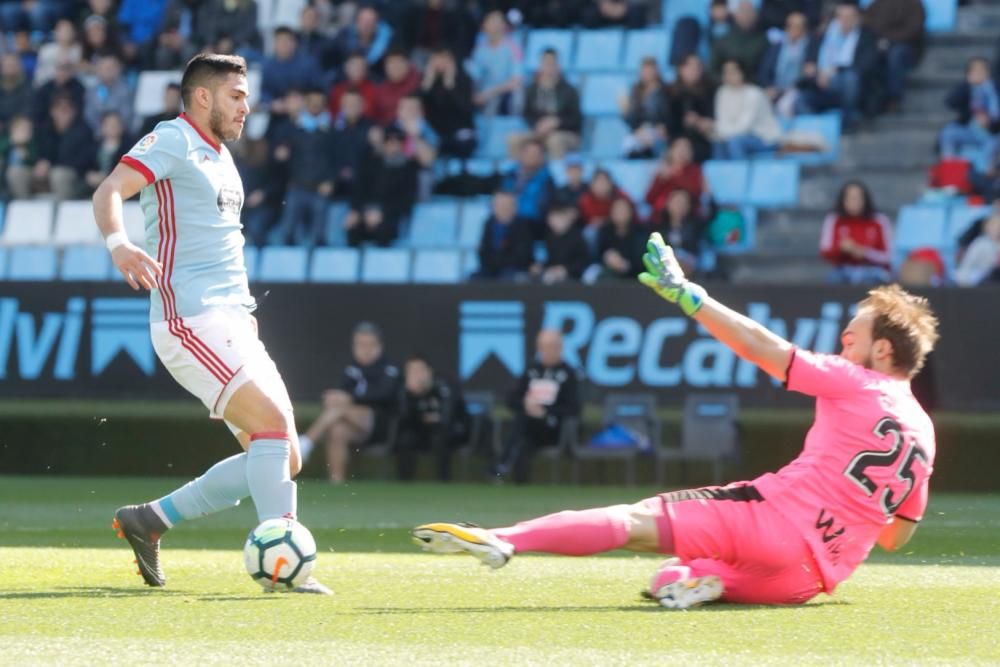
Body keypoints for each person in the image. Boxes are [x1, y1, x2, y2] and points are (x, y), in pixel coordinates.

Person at [415, 234, 940, 610]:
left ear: (883, 348)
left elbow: (764, 348)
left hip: (768, 521)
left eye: (851, 337)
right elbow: (895, 538)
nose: (843, 343)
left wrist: (693, 297)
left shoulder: (854, 381)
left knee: (634, 521)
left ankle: (505, 539)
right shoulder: (923, 431)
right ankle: (696, 582)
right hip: (806, 580)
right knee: (681, 572)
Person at [92, 54, 329, 594]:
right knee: (270, 429)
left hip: (232, 320)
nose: (247, 106)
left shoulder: (221, 156)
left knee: (281, 456)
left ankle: (150, 519)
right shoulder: (172, 138)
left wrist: (245, 323)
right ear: (202, 97)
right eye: (236, 96)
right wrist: (119, 244)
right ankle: (285, 571)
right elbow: (108, 191)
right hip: (188, 317)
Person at [298, 322, 401, 484]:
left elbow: (383, 395)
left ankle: (307, 442)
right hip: (356, 429)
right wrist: (335, 397)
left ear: (379, 346)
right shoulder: (351, 369)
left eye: (370, 345)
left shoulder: (390, 368)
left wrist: (349, 398)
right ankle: (337, 482)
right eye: (360, 344)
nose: (365, 349)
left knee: (340, 407)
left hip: (383, 425)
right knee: (338, 430)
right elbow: (342, 393)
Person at [492, 329, 581, 484]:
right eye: (542, 346)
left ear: (560, 347)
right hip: (529, 428)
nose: (545, 351)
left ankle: (500, 466)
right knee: (523, 438)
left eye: (550, 346)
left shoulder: (569, 374)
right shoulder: (532, 370)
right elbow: (511, 399)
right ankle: (518, 484)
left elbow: (573, 408)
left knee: (522, 423)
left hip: (554, 428)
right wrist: (526, 405)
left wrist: (545, 412)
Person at [798, 0, 879, 129]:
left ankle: (846, 124)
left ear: (857, 19)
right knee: (800, 99)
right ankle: (816, 130)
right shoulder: (824, 33)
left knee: (850, 79)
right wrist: (813, 68)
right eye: (841, 17)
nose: (845, 21)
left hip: (848, 84)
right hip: (820, 82)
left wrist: (836, 71)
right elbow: (810, 57)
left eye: (849, 17)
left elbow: (865, 66)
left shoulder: (866, 37)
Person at [396, 355, 470, 482]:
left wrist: (434, 419)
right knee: (405, 439)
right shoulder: (404, 391)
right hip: (420, 431)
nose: (416, 375)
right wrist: (412, 396)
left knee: (440, 437)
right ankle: (404, 483)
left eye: (419, 370)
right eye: (411, 371)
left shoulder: (444, 386)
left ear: (429, 371)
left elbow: (448, 417)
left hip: (448, 432)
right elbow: (403, 420)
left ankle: (443, 482)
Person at [511, 48, 582, 159]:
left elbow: (576, 118)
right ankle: (517, 174)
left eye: (552, 63)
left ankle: (556, 173)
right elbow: (526, 114)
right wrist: (538, 125)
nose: (549, 67)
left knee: (555, 140)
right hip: (539, 131)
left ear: (558, 66)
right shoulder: (531, 90)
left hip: (565, 133)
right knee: (513, 139)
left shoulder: (569, 90)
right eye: (545, 63)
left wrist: (557, 122)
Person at [819, 180, 893, 284]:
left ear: (865, 199)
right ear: (842, 200)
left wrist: (865, 253)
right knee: (834, 278)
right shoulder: (833, 219)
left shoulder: (879, 220)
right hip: (843, 271)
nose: (853, 201)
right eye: (849, 198)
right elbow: (825, 251)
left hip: (873, 270)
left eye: (857, 198)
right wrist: (841, 249)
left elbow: (889, 256)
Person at [939, 58, 1000, 175]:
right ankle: (949, 168)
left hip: (992, 133)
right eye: (974, 71)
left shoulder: (995, 88)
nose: (978, 73)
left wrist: (990, 121)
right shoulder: (967, 88)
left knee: (993, 146)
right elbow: (950, 102)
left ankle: (985, 175)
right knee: (949, 132)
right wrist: (967, 84)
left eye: (981, 70)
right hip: (970, 130)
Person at [713, 59, 782, 159]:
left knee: (736, 142)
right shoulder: (722, 92)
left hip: (765, 138)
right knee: (717, 142)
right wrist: (722, 134)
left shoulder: (754, 93)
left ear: (742, 73)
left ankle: (739, 172)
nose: (728, 76)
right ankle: (721, 173)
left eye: (732, 72)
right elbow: (721, 121)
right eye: (725, 73)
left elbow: (745, 126)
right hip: (733, 135)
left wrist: (725, 134)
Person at [864, 0, 925, 112]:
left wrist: (888, 41)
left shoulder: (915, 4)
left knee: (896, 55)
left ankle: (894, 98)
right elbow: (866, 22)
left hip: (905, 46)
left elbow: (914, 30)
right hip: (879, 44)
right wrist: (878, 41)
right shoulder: (877, 4)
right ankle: (869, 101)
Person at [420, 47, 476, 158]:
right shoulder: (427, 81)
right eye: (437, 58)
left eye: (445, 58)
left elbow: (466, 108)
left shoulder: (464, 79)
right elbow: (416, 105)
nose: (441, 62)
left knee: (463, 142)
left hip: (459, 132)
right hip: (434, 133)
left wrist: (450, 85)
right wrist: (427, 83)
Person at [757, 11, 813, 117]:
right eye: (790, 25)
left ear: (804, 29)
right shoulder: (776, 47)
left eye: (797, 26)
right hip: (775, 88)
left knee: (786, 105)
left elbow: (810, 73)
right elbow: (764, 70)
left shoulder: (811, 47)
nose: (793, 29)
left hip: (798, 90)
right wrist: (768, 86)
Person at [469, 10, 524, 116]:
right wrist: (474, 94)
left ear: (503, 25)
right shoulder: (480, 49)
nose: (492, 25)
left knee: (515, 95)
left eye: (496, 21)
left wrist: (489, 93)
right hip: (483, 94)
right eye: (489, 22)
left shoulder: (513, 46)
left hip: (503, 92)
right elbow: (473, 76)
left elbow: (516, 81)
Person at [474, 189, 535, 280]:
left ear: (514, 207)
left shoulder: (523, 226)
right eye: (499, 205)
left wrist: (496, 260)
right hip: (490, 269)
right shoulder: (488, 223)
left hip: (514, 270)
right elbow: (483, 252)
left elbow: (522, 257)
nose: (502, 208)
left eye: (506, 205)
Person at [666, 55, 716, 163]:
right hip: (676, 141)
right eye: (691, 67)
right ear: (681, 69)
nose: (695, 70)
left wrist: (700, 122)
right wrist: (679, 141)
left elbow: (715, 121)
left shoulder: (710, 91)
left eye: (698, 67)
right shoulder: (670, 93)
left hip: (702, 141)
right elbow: (668, 123)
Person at [585, 196, 646, 283]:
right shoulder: (604, 231)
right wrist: (607, 258)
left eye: (623, 210)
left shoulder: (640, 232)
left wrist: (625, 265)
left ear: (630, 212)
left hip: (634, 277)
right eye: (617, 210)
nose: (620, 213)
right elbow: (595, 257)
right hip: (608, 275)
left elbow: (642, 261)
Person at [620, 57, 671, 159]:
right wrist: (625, 112)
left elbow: (669, 114)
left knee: (654, 141)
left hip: (659, 131)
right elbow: (632, 119)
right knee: (628, 143)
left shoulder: (666, 91)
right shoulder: (636, 91)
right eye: (645, 70)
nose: (648, 74)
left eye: (650, 70)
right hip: (640, 131)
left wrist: (664, 128)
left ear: (656, 71)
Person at [533, 201, 590, 284]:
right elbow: (547, 259)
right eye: (551, 219)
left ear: (566, 218)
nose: (554, 222)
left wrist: (565, 269)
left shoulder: (577, 237)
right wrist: (540, 266)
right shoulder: (548, 237)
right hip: (550, 275)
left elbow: (583, 261)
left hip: (573, 277)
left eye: (558, 218)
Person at [710, 0, 769, 79]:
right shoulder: (723, 40)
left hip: (755, 86)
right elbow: (712, 70)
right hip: (726, 86)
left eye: (749, 11)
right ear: (735, 15)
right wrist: (726, 79)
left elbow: (766, 70)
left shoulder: (764, 40)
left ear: (756, 15)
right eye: (742, 11)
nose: (746, 15)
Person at [954, 206, 1000, 287]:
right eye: (995, 225)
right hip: (982, 284)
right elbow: (965, 269)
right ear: (987, 227)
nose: (998, 229)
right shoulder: (980, 244)